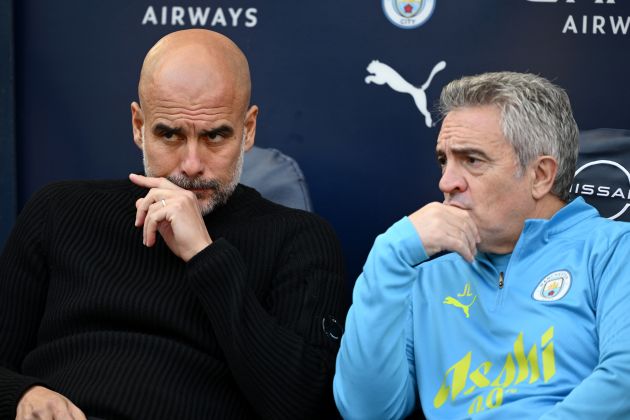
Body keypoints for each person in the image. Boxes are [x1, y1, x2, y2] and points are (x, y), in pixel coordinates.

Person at [0, 29, 345, 420]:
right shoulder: (59, 211)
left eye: (215, 136)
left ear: (248, 129)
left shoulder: (299, 239)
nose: (192, 164)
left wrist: (205, 254)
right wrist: (20, 394)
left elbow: (302, 403)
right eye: (169, 134)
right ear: (138, 125)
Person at [333, 72, 630, 419]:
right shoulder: (420, 279)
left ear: (540, 176)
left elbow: (623, 380)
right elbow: (367, 412)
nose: (447, 181)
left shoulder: (613, 252)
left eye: (472, 160)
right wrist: (388, 258)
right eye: (444, 160)